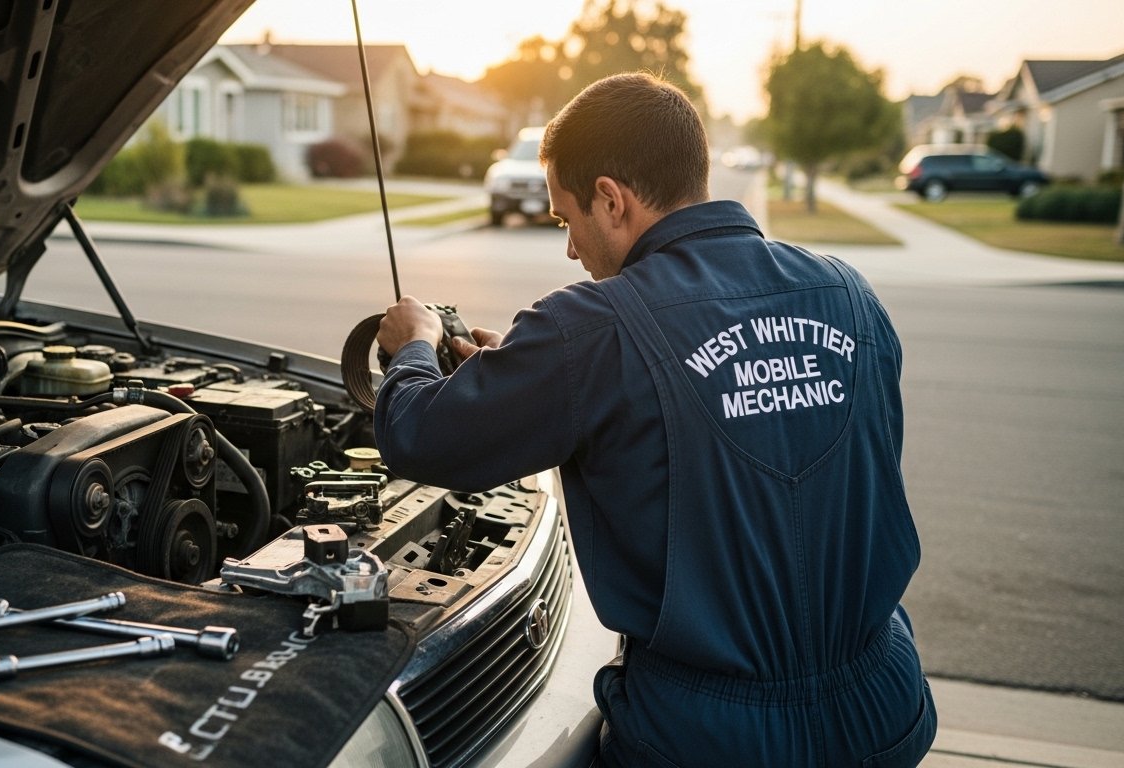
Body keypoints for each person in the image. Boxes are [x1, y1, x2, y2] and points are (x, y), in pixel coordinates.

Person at [374, 72, 936, 768]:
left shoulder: (590, 329)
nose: (572, 250)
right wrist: (534, 378)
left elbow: (419, 436)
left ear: (611, 200)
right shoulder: (850, 293)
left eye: (565, 220)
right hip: (882, 709)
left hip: (709, 740)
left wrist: (415, 346)